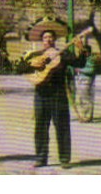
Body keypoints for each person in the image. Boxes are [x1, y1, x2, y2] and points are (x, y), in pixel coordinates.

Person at [29, 29, 84, 168]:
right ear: (42, 40)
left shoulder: (63, 54)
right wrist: (32, 65)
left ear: (54, 39)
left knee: (62, 127)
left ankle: (64, 159)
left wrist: (81, 49)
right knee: (40, 127)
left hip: (58, 95)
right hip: (41, 95)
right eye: (45, 37)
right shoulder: (36, 54)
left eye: (50, 37)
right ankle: (41, 158)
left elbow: (80, 63)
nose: (48, 39)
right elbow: (21, 68)